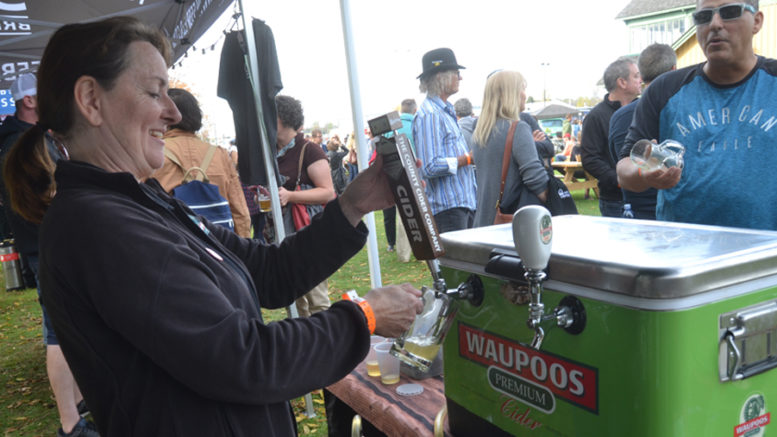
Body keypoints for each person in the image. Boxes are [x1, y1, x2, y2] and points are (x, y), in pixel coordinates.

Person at [3, 16, 422, 437]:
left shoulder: (144, 203)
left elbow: (272, 274)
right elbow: (243, 361)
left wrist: (355, 202)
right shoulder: (98, 226)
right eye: (154, 91)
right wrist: (364, 316)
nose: (171, 112)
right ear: (91, 100)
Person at [618, 0, 777, 230]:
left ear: (757, 21)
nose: (715, 24)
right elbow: (624, 169)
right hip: (688, 253)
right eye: (703, 17)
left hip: (767, 254)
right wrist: (644, 174)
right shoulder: (665, 90)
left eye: (729, 12)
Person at [0, 73, 98, 437]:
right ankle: (71, 423)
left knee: (69, 325)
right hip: (49, 244)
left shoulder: (22, 140)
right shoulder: (24, 143)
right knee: (58, 332)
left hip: (49, 242)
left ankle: (81, 400)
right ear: (29, 101)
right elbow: (47, 196)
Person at [153, 88, 252, 237]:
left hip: (177, 246)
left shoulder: (153, 153)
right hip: (219, 245)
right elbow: (240, 211)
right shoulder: (220, 154)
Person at [275, 94, 337, 317]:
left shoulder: (309, 150)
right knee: (294, 298)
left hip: (308, 232)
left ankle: (328, 346)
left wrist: (290, 196)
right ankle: (305, 346)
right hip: (283, 234)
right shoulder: (272, 151)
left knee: (316, 298)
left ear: (281, 119)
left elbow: (328, 192)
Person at [470, 70, 548, 227]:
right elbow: (536, 179)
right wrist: (555, 201)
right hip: (512, 224)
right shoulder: (517, 128)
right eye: (522, 89)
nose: (525, 95)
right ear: (511, 94)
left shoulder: (481, 131)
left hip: (484, 220)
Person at [608, 43, 677, 220]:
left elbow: (617, 161)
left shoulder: (619, 116)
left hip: (632, 209)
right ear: (674, 70)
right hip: (666, 212)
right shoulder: (676, 110)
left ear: (642, 75)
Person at [412, 48, 477, 233]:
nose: (460, 78)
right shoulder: (430, 115)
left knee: (464, 261)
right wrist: (467, 159)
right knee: (455, 262)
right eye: (457, 73)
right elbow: (429, 166)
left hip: (459, 206)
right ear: (441, 76)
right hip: (448, 209)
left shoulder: (443, 111)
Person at [580, 58, 641, 217]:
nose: (641, 80)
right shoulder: (596, 116)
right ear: (622, 82)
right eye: (636, 76)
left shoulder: (645, 109)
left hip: (646, 196)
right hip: (615, 200)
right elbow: (590, 158)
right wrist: (619, 180)